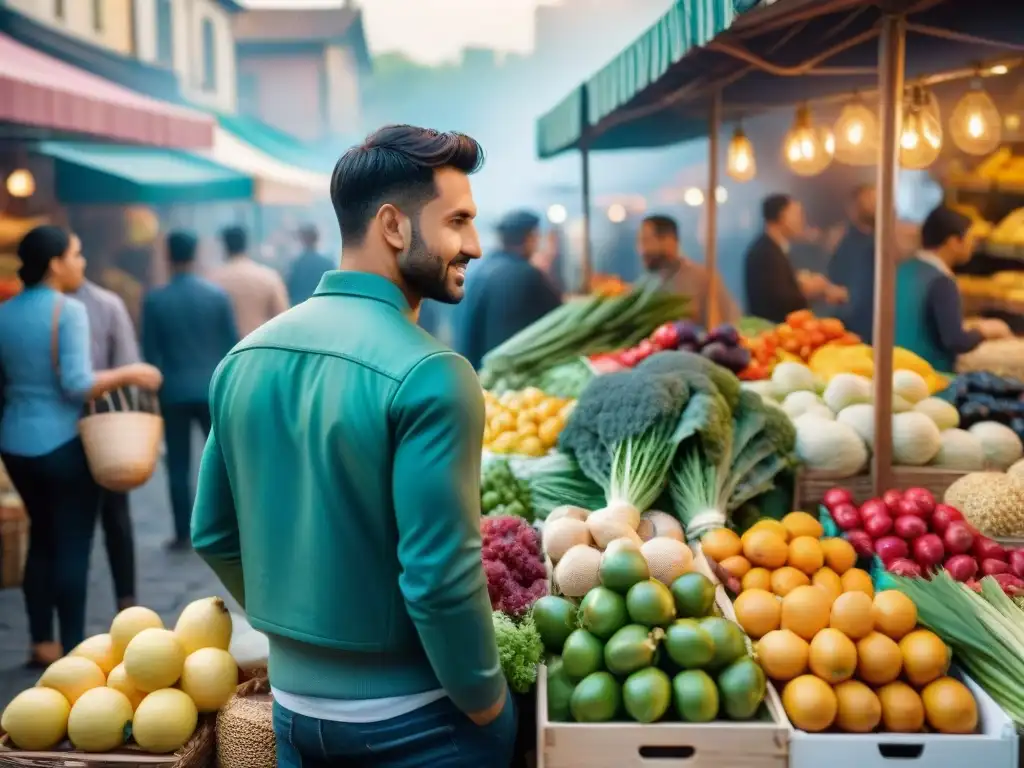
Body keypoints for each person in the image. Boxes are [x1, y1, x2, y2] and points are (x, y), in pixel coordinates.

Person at [191, 125, 515, 767]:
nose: (473, 245)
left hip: (292, 717)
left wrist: (303, 627)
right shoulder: (434, 373)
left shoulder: (243, 357)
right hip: (419, 725)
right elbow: (439, 580)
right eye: (457, 221)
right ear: (394, 225)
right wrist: (489, 704)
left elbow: (214, 534)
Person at [0, 226, 162, 665]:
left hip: (14, 443)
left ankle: (40, 641)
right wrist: (132, 374)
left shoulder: (6, 311)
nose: (81, 262)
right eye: (75, 254)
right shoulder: (68, 311)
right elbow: (77, 384)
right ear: (54, 263)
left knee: (40, 540)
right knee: (72, 543)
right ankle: (71, 648)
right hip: (65, 442)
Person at [141, 231, 239, 551]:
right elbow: (232, 346)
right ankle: (226, 526)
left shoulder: (156, 300)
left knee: (179, 465)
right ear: (196, 254)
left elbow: (150, 354)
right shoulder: (216, 296)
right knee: (222, 461)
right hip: (212, 390)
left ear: (168, 256)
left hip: (173, 392)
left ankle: (183, 533)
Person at [69, 277, 141, 609]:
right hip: (105, 422)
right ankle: (126, 600)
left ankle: (70, 613)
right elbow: (128, 364)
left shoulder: (20, 309)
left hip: (65, 428)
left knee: (73, 525)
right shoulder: (105, 303)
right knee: (115, 515)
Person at [894, 205, 1010, 372]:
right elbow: (955, 340)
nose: (973, 246)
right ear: (954, 242)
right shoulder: (941, 281)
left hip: (896, 369)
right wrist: (985, 330)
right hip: (930, 376)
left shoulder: (903, 270)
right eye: (971, 239)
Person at [453, 210, 562, 370]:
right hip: (510, 377)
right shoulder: (526, 273)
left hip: (477, 372)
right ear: (530, 238)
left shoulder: (481, 269)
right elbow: (558, 317)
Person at [744, 194, 848, 323]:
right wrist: (812, 290)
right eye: (797, 215)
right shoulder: (764, 252)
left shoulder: (772, 248)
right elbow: (776, 301)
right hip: (770, 332)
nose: (802, 222)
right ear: (782, 216)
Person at [638, 214, 741, 326]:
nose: (641, 249)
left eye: (646, 240)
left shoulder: (702, 279)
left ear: (669, 240)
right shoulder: (644, 283)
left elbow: (730, 321)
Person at [208, 226, 289, 337]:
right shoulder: (268, 277)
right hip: (258, 346)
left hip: (225, 350)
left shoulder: (212, 280)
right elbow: (283, 318)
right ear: (246, 245)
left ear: (224, 246)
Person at [827, 184, 877, 340]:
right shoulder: (846, 245)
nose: (876, 204)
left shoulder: (882, 241)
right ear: (854, 208)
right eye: (870, 199)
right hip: (856, 330)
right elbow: (838, 288)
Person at [286, 223, 335, 305]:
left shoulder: (296, 265)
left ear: (303, 240)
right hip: (322, 307)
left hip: (299, 308)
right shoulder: (328, 264)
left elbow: (288, 290)